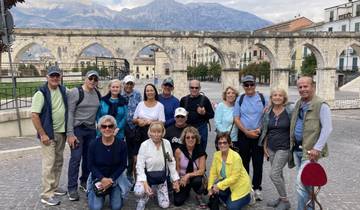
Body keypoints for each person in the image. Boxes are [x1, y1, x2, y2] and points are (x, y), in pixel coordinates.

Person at [290, 76, 332, 210]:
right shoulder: (298, 103)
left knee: (300, 183)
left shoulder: (321, 104)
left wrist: (317, 148)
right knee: (306, 184)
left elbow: (327, 128)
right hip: (297, 149)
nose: (303, 89)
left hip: (310, 152)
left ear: (312, 87)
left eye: (305, 86)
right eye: (300, 87)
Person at [31, 66, 68, 206]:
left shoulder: (63, 90)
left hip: (61, 132)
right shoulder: (41, 93)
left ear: (60, 77)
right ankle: (47, 194)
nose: (55, 78)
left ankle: (55, 187)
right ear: (47, 77)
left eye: (57, 76)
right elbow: (34, 115)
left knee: (58, 161)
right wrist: (42, 134)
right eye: (52, 76)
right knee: (49, 163)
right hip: (48, 134)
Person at [66, 70, 101, 201]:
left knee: (88, 158)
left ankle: (84, 181)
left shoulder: (97, 93)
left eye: (95, 79)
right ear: (85, 79)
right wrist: (70, 134)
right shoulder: (76, 92)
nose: (92, 81)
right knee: (76, 158)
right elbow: (70, 113)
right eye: (90, 78)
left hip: (91, 130)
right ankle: (72, 188)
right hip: (77, 130)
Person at [233, 75, 268, 201]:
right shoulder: (240, 99)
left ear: (255, 85)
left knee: (258, 162)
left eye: (251, 84)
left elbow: (267, 116)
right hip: (244, 134)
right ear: (243, 86)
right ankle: (246, 187)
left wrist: (259, 129)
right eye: (246, 85)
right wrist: (246, 132)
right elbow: (236, 118)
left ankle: (257, 187)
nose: (249, 87)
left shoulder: (263, 98)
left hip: (258, 134)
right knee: (244, 162)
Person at [258, 88, 293, 210]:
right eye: (274, 95)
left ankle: (285, 201)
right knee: (279, 174)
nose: (277, 97)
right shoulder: (268, 112)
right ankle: (281, 197)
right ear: (271, 98)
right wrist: (265, 147)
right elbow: (266, 131)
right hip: (271, 147)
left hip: (284, 147)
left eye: (280, 95)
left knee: (274, 174)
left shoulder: (290, 110)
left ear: (284, 98)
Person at [87, 115, 130, 210]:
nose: (107, 128)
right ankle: (91, 192)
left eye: (110, 126)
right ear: (99, 128)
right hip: (98, 179)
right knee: (95, 208)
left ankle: (113, 192)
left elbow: (123, 165)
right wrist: (102, 179)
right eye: (104, 126)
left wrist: (111, 180)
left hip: (115, 180)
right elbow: (90, 165)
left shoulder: (122, 145)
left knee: (116, 207)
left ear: (114, 128)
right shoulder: (93, 144)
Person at [134, 122, 180, 210]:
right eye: (153, 132)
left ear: (162, 133)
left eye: (159, 132)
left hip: (161, 177)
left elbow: (171, 162)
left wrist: (175, 180)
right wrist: (145, 184)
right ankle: (142, 199)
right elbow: (139, 166)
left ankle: (155, 190)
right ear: (149, 132)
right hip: (147, 177)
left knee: (165, 205)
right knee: (139, 191)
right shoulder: (144, 145)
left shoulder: (166, 143)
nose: (156, 134)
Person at [208, 132, 252, 210]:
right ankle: (229, 197)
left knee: (231, 207)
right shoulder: (216, 155)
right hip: (227, 182)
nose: (222, 145)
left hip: (240, 185)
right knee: (213, 188)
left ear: (230, 143)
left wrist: (218, 186)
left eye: (225, 142)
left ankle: (248, 197)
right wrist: (209, 188)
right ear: (217, 145)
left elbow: (234, 178)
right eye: (220, 143)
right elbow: (212, 173)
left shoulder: (236, 157)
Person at [173, 126, 207, 208]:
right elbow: (176, 169)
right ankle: (187, 190)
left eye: (193, 137)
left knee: (198, 181)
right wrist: (176, 181)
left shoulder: (200, 150)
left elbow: (202, 170)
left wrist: (188, 175)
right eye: (187, 137)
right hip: (182, 179)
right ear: (184, 139)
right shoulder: (178, 151)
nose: (190, 139)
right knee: (178, 202)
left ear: (196, 138)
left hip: (194, 177)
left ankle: (199, 194)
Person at [180, 80, 214, 151]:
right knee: (187, 151)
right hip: (187, 128)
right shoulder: (183, 100)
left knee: (201, 151)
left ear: (200, 88)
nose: (194, 89)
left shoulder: (205, 99)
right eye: (192, 87)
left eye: (196, 88)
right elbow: (179, 116)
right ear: (189, 88)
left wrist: (204, 113)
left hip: (201, 128)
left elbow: (212, 115)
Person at [133, 83, 165, 155]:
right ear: (145, 93)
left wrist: (151, 122)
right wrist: (138, 121)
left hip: (153, 134)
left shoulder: (160, 106)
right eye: (147, 91)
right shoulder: (140, 104)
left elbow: (162, 122)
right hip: (139, 134)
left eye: (151, 90)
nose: (149, 92)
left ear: (155, 92)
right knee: (138, 156)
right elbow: (134, 120)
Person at [121, 75, 142, 182]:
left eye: (131, 84)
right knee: (120, 151)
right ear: (123, 84)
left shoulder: (137, 94)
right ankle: (119, 173)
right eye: (127, 83)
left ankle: (130, 173)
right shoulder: (119, 94)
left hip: (134, 127)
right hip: (122, 126)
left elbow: (140, 108)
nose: (129, 86)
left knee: (132, 152)